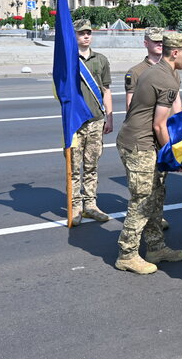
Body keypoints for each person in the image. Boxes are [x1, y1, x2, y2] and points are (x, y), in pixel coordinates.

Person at [114, 32, 182, 275]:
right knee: (142, 201)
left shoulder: (165, 71)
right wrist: (172, 155)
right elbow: (159, 125)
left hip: (145, 143)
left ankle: (156, 247)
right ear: (175, 53)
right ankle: (127, 254)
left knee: (156, 195)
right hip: (139, 144)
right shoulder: (165, 78)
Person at [124, 26, 174, 231]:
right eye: (155, 41)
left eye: (162, 41)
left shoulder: (170, 70)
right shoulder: (136, 72)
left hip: (162, 135)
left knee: (159, 186)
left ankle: (155, 220)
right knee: (143, 190)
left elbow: (175, 105)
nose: (160, 44)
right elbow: (131, 106)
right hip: (144, 137)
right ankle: (144, 224)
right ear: (146, 43)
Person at [70, 19, 113, 225]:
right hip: (75, 122)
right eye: (81, 33)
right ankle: (75, 206)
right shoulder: (68, 60)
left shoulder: (101, 60)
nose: (86, 36)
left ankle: (90, 204)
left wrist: (109, 116)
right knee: (74, 166)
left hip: (96, 119)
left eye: (88, 33)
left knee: (92, 165)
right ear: (75, 36)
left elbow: (106, 89)